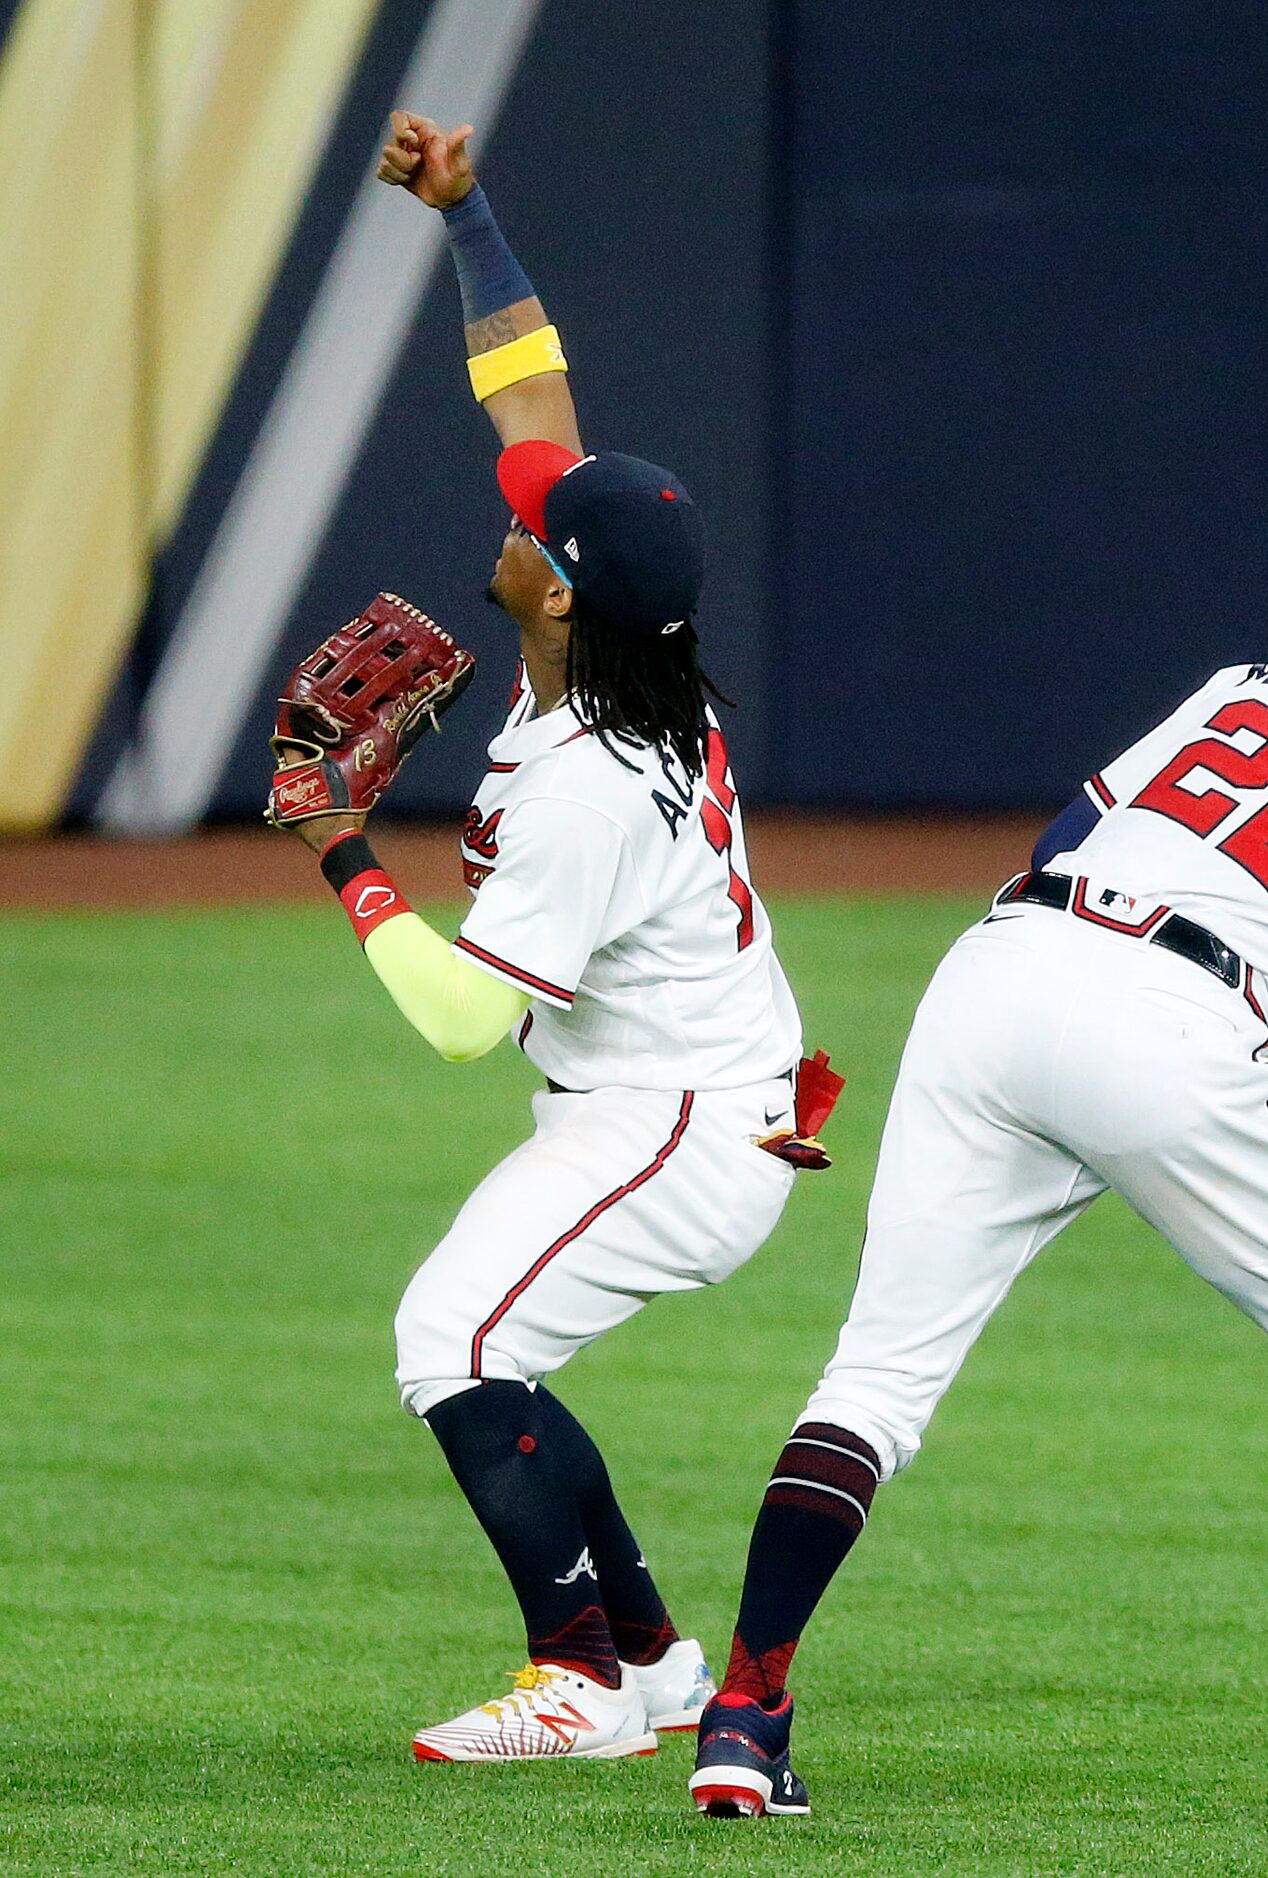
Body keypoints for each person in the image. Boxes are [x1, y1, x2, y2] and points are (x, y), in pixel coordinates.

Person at [685, 555, 1268, 1817]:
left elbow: (1065, 837)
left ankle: (742, 1717)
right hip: (1175, 1020)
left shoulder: (1259, 679)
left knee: (878, 1374)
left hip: (1002, 965)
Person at [274, 111, 820, 1761]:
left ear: (565, 594)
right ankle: (645, 1657)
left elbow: (455, 1019)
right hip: (664, 1094)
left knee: (454, 1336)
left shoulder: (596, 778)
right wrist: (468, 215)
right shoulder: (605, 653)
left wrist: (342, 847)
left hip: (682, 1122)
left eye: (536, 536)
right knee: (490, 1341)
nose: (511, 526)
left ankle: (579, 1679)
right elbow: (534, 408)